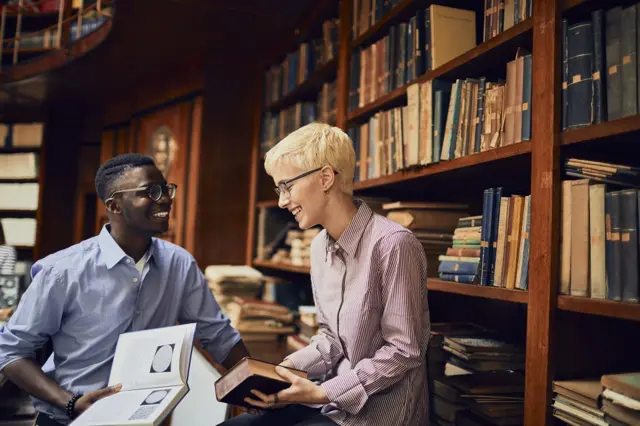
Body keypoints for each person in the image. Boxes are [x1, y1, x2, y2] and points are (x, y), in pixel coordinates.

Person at [0, 154, 250, 426]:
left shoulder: (180, 264)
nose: (165, 199)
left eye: (166, 190)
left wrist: (261, 386)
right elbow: (11, 353)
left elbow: (219, 336)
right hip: (68, 421)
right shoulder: (62, 271)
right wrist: (70, 402)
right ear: (115, 205)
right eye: (151, 192)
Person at [219, 123, 430, 426]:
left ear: (326, 178)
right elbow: (331, 338)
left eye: (287, 186)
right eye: (279, 190)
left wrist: (322, 392)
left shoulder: (394, 244)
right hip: (328, 404)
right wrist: (284, 372)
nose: (281, 201)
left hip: (377, 417)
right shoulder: (319, 247)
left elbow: (403, 351)